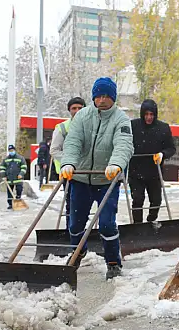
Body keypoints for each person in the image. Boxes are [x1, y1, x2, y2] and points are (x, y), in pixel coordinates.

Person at [60, 77, 133, 279]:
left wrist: (116, 164)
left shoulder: (121, 119)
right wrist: (68, 163)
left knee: (107, 224)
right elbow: (73, 142)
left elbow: (124, 144)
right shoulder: (82, 116)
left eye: (106, 96)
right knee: (75, 224)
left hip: (106, 181)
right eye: (98, 95)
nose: (101, 100)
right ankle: (77, 252)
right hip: (81, 179)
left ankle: (113, 262)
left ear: (113, 98)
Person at [128, 99, 176, 223]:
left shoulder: (163, 128)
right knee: (138, 199)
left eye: (151, 114)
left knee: (156, 201)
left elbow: (171, 148)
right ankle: (137, 226)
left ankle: (150, 221)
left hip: (155, 171)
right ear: (142, 114)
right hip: (136, 171)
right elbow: (124, 144)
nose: (149, 117)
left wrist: (162, 154)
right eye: (146, 114)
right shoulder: (133, 126)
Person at [51, 97, 86, 231]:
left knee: (85, 206)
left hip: (88, 173)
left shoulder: (92, 126)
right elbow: (54, 150)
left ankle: (84, 232)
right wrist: (70, 162)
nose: (77, 111)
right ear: (69, 110)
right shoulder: (62, 128)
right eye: (74, 108)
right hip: (70, 174)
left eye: (80, 108)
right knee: (72, 205)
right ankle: (71, 233)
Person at [0, 144, 28, 210]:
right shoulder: (6, 159)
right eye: (10, 150)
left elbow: (24, 167)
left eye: (12, 150)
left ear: (14, 150)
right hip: (9, 178)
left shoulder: (20, 158)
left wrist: (21, 174)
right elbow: (2, 168)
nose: (11, 151)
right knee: (9, 192)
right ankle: (10, 204)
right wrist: (4, 176)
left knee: (19, 189)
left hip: (18, 178)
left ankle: (18, 201)